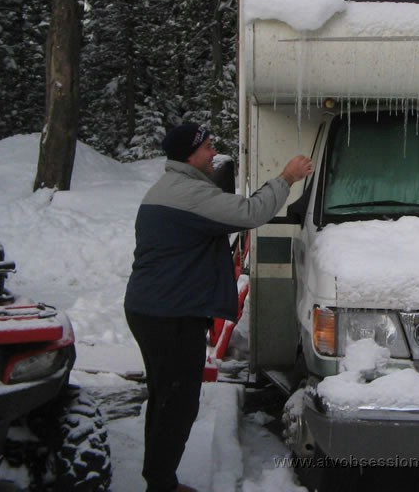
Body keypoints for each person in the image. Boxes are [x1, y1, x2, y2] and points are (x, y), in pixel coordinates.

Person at [124, 123, 312, 492]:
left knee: (166, 398)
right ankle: (160, 484)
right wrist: (287, 177)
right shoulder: (188, 193)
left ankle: (158, 478)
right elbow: (251, 212)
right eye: (207, 147)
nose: (213, 153)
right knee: (177, 404)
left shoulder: (173, 188)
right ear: (189, 156)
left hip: (157, 310)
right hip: (169, 315)